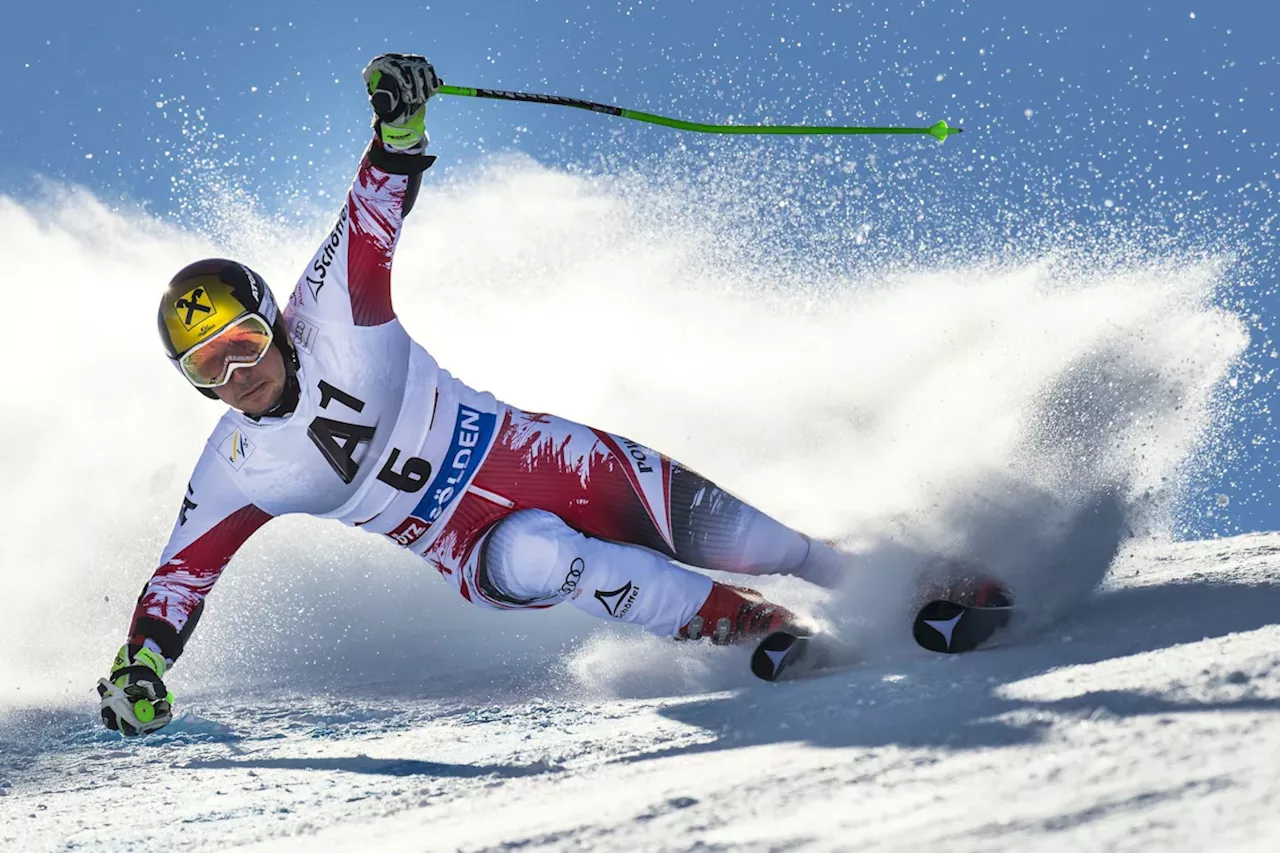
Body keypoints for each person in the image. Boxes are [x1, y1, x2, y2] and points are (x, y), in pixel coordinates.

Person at [97, 54, 850, 736]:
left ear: (276, 324)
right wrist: (143, 665)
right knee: (538, 554)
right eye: (209, 370)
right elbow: (180, 577)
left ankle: (881, 577)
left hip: (538, 455)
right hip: (468, 546)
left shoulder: (331, 310)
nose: (238, 378)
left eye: (244, 346)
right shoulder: (236, 466)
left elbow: (372, 208)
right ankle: (750, 624)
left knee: (759, 541)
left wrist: (401, 122)